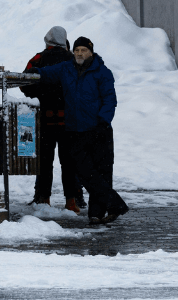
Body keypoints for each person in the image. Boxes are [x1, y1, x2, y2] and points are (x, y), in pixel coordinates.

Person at [38, 37, 130, 224]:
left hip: (99, 129)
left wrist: (103, 121)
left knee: (101, 171)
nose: (79, 53)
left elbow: (109, 99)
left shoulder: (102, 72)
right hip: (75, 130)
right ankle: (115, 204)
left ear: (91, 52)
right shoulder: (66, 68)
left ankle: (96, 214)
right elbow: (46, 73)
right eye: (77, 50)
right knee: (83, 171)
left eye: (83, 50)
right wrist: (33, 72)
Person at [21, 26, 85, 212]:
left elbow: (25, 84)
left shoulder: (38, 59)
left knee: (44, 161)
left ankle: (43, 199)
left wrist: (41, 93)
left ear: (47, 40)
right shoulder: (74, 60)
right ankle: (72, 201)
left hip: (45, 120)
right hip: (69, 121)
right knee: (69, 162)